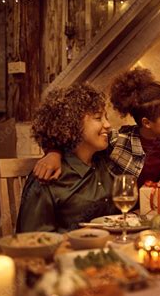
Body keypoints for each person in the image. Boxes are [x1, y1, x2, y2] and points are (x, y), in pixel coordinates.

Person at [33, 67, 160, 188]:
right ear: (147, 123)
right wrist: (53, 152)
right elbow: (73, 141)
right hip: (120, 213)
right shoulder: (117, 140)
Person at [16, 85, 117, 233]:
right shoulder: (48, 175)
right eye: (98, 118)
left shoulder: (106, 158)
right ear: (72, 124)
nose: (108, 125)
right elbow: (32, 241)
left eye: (106, 117)